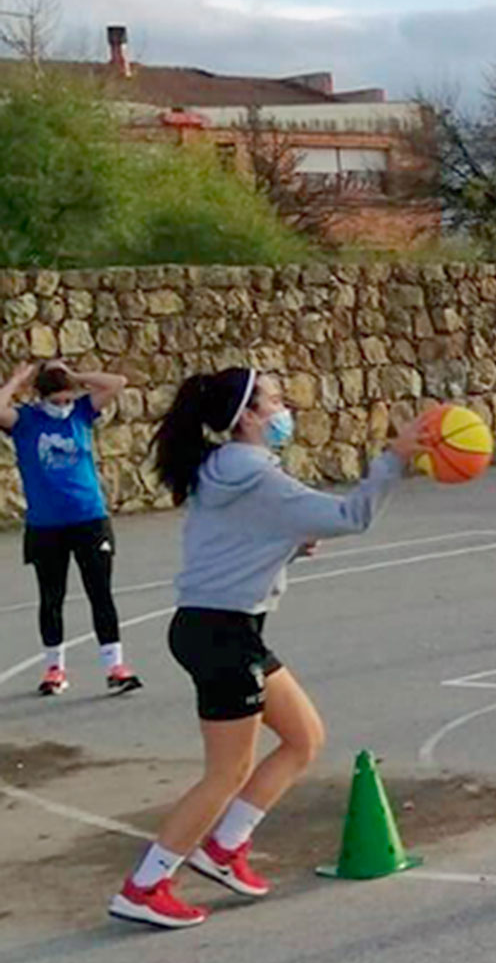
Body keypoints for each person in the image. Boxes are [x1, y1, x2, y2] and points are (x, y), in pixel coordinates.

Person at [108, 367, 429, 930]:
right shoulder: (254, 474)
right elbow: (351, 517)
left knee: (304, 738)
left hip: (221, 628)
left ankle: (225, 847)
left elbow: (233, 538)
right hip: (221, 634)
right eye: (275, 401)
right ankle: (144, 886)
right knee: (226, 772)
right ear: (248, 417)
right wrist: (394, 459)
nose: (285, 409)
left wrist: (285, 546)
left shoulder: (221, 467)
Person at [1, 359, 141, 697]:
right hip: (46, 526)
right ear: (41, 398)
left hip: (89, 518)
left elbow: (117, 383)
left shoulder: (80, 413)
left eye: (67, 399)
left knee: (100, 592)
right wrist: (18, 380)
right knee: (52, 597)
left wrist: (75, 376)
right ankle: (54, 668)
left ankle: (115, 666)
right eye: (57, 401)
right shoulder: (26, 421)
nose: (63, 406)